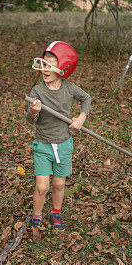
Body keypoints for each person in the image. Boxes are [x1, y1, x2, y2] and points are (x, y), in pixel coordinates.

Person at [26, 41, 91, 231]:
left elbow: (86, 98)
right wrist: (33, 111)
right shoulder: (37, 91)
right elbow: (31, 120)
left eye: (49, 65)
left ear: (63, 68)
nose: (44, 69)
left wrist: (81, 118)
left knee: (59, 183)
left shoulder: (69, 89)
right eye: (43, 64)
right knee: (42, 186)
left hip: (63, 144)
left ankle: (56, 212)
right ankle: (36, 217)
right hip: (43, 145)